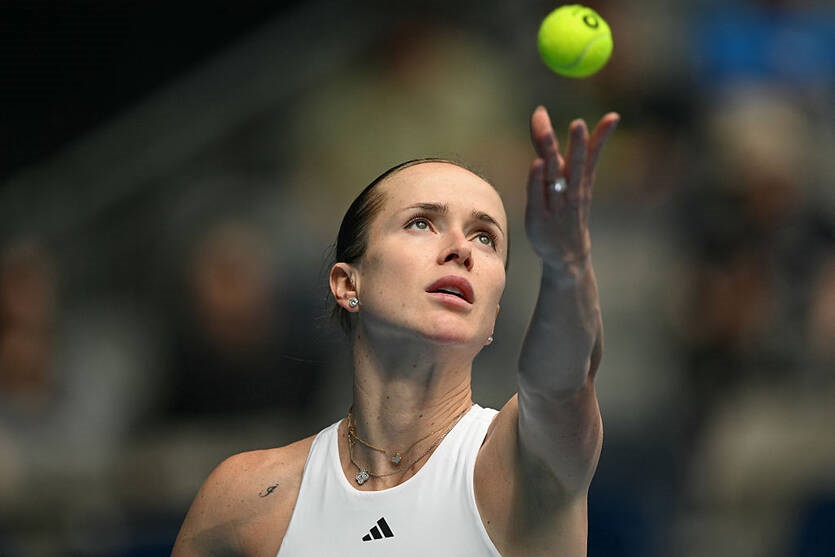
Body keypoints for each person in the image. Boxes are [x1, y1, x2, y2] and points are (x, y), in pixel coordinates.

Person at [170, 105, 619, 556]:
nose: (461, 249)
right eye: (421, 222)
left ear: (494, 316)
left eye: (485, 237)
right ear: (348, 284)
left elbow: (562, 381)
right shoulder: (243, 500)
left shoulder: (522, 460)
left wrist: (567, 266)